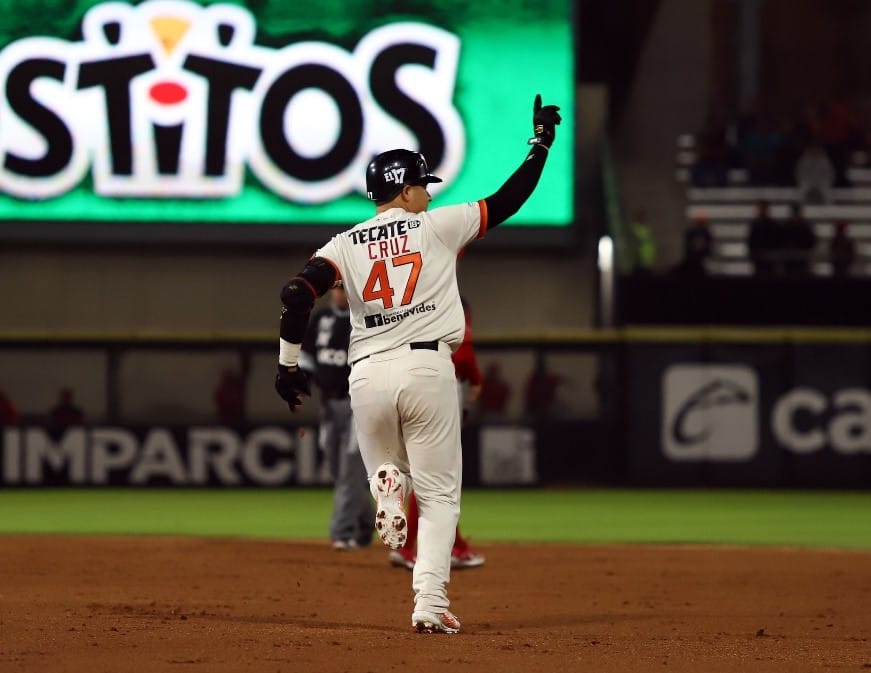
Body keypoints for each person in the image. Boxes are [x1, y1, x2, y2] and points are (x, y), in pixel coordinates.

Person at [274, 93, 561, 634]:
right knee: (439, 497)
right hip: (426, 368)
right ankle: (429, 604)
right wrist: (540, 143)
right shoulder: (437, 226)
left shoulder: (345, 243)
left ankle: (386, 480)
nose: (427, 194)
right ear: (404, 189)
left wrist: (287, 366)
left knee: (391, 470)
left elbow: (296, 294)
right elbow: (510, 199)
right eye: (423, 186)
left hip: (365, 376)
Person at [388, 296, 485, 571]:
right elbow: (464, 355)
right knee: (437, 478)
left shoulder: (407, 314)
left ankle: (449, 544)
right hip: (437, 393)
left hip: (397, 388)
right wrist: (476, 379)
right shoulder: (452, 316)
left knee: (425, 475)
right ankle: (421, 546)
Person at [298, 285, 374, 551]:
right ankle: (368, 520)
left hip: (357, 406)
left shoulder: (364, 318)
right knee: (336, 470)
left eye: (343, 289)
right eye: (336, 289)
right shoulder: (320, 319)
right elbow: (306, 354)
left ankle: (340, 531)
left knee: (350, 471)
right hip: (328, 405)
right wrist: (302, 380)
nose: (339, 294)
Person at [747, 199, 781, 276]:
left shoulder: (773, 225)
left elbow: (776, 241)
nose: (760, 210)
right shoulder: (755, 224)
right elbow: (751, 241)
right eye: (759, 208)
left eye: (761, 208)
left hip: (769, 258)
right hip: (759, 258)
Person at [781, 203, 816, 276]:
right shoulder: (788, 225)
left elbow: (811, 241)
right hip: (790, 259)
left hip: (801, 259)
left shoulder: (804, 226)